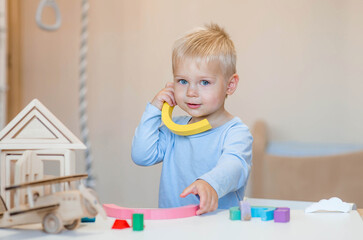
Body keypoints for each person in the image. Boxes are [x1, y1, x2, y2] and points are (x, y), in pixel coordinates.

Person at [131, 23, 253, 215]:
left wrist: (209, 183)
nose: (191, 92)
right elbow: (141, 155)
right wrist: (155, 109)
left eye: (204, 82)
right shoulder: (174, 128)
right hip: (174, 228)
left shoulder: (236, 132)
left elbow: (234, 167)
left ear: (230, 85)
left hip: (218, 230)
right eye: (182, 81)